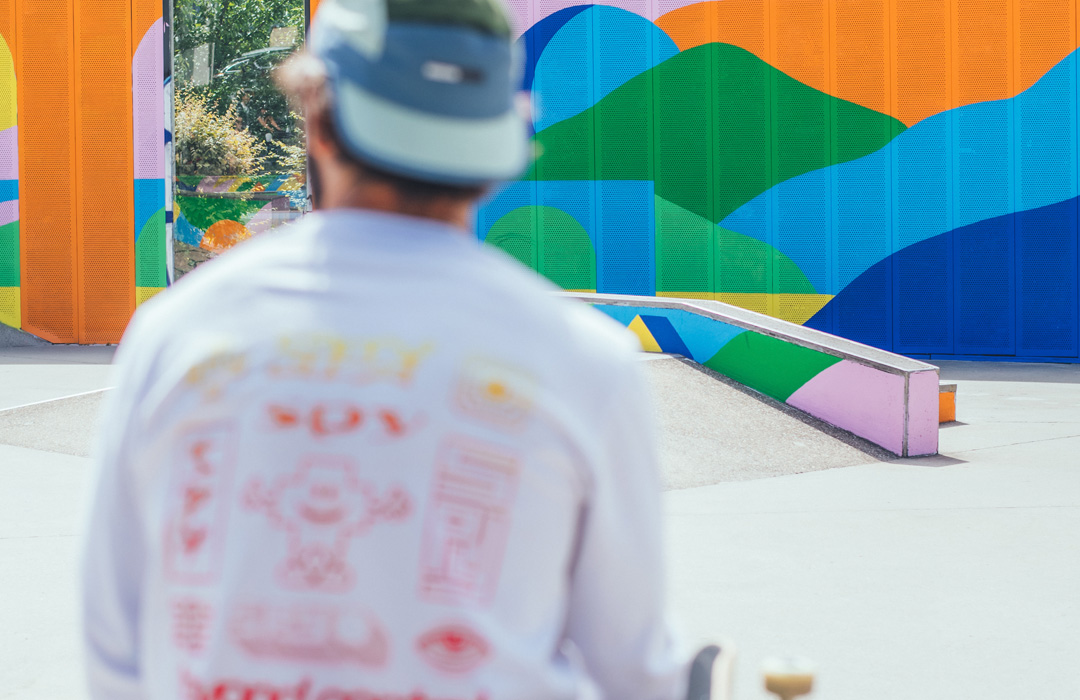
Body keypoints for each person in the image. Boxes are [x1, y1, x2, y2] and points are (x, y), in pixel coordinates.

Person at [81, 1, 690, 699]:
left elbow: (115, 645)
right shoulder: (586, 363)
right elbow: (638, 672)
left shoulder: (176, 333)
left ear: (317, 115)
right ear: (496, 147)